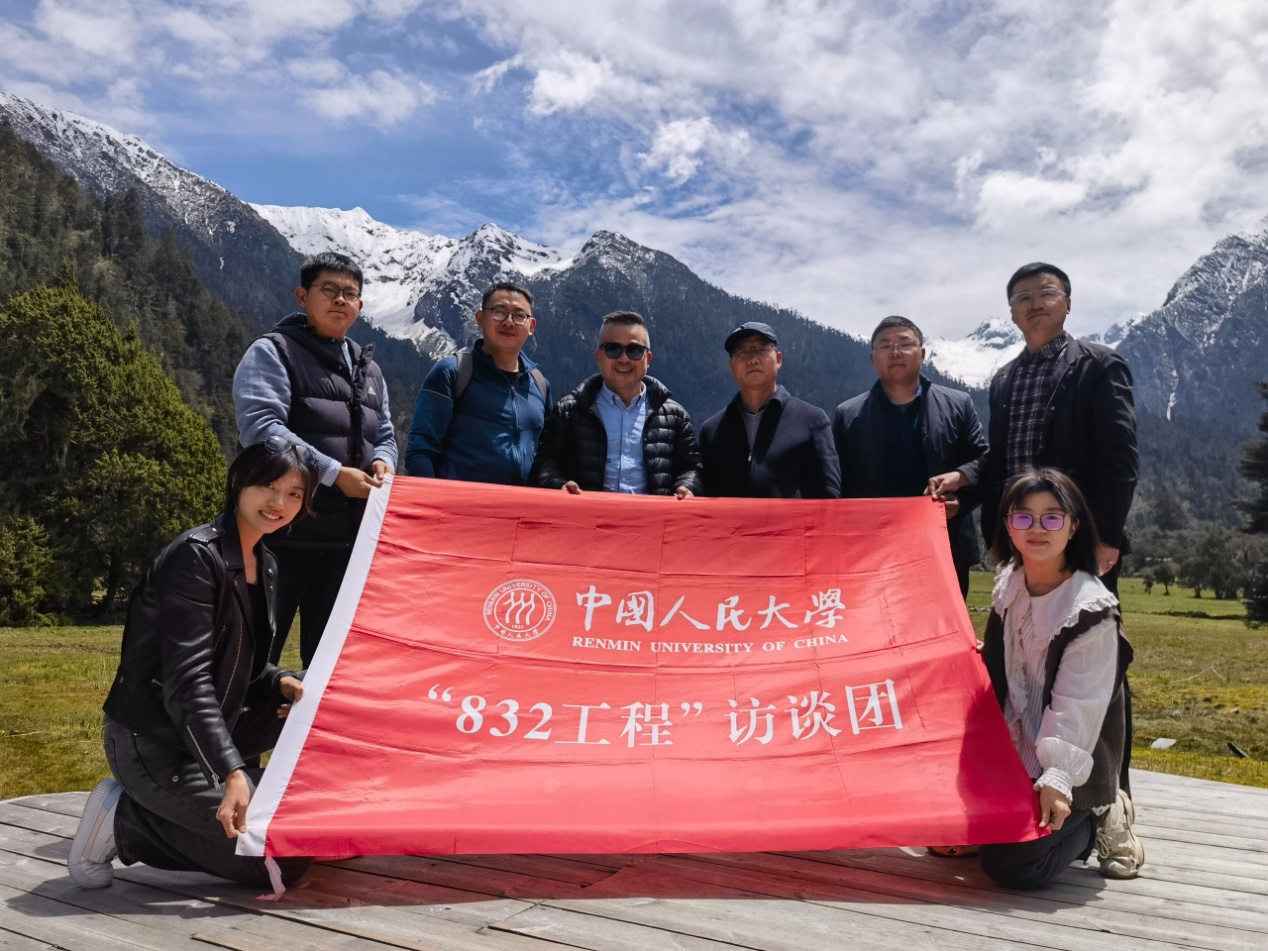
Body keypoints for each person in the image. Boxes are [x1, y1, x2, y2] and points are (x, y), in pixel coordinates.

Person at [69, 439, 320, 891]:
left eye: (294, 494)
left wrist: (280, 681)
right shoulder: (195, 558)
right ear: (239, 481)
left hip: (212, 730)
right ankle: (125, 820)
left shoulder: (265, 564)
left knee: (315, 689)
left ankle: (269, 794)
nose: (279, 503)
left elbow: (244, 665)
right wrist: (231, 771)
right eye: (268, 486)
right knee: (285, 859)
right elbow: (187, 680)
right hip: (156, 743)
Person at [962, 261, 1139, 794]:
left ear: (1067, 303)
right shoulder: (1004, 380)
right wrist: (964, 483)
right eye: (1023, 297)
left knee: (1094, 667)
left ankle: (1108, 797)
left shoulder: (1098, 366)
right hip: (1019, 541)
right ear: (1012, 313)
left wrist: (1106, 535)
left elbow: (1120, 457)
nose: (1035, 304)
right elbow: (998, 462)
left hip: (1079, 543)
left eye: (1046, 293)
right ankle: (1019, 776)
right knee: (1012, 658)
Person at [974, 468, 1142, 888]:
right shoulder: (1009, 586)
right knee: (956, 833)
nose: (1036, 528)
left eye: (1051, 517)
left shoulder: (1090, 611)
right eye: (1023, 516)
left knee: (1013, 864)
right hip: (1013, 749)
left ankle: (1097, 815)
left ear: (1073, 526)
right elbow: (997, 671)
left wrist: (1059, 778)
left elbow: (1077, 706)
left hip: (1071, 757)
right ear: (1008, 525)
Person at [232, 251, 396, 667]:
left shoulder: (369, 369)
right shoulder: (273, 352)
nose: (340, 299)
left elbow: (385, 434)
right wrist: (333, 474)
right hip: (278, 534)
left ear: (360, 305)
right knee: (251, 655)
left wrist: (384, 460)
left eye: (349, 293)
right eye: (329, 289)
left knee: (330, 666)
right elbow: (261, 429)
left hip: (346, 542)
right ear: (303, 296)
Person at [833, 316, 988, 595]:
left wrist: (960, 499)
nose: (895, 352)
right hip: (872, 551)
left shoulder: (958, 404)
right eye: (885, 345)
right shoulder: (848, 415)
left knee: (943, 623)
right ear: (873, 358)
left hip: (945, 545)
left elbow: (983, 463)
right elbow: (836, 485)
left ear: (922, 354)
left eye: (905, 343)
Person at [530, 311, 702, 497]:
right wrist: (558, 485)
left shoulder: (675, 417)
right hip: (588, 515)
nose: (624, 359)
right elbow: (545, 462)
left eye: (634, 350)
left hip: (653, 515)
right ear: (598, 357)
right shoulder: (568, 411)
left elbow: (692, 467)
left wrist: (688, 488)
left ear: (648, 359)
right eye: (613, 349)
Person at [405, 281, 552, 484]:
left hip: (522, 503)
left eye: (519, 315)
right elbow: (421, 449)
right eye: (499, 312)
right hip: (459, 502)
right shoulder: (453, 372)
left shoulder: (540, 385)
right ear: (480, 319)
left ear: (531, 326)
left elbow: (548, 455)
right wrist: (429, 498)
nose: (509, 322)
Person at [698, 322, 841, 498]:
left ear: (778, 359)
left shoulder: (812, 421)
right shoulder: (711, 430)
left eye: (762, 349)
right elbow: (704, 496)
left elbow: (829, 497)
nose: (753, 359)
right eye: (742, 352)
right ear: (731, 366)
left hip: (793, 518)